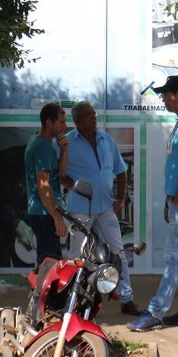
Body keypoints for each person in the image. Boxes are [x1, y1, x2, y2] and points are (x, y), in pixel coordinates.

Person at [128, 75, 178, 332]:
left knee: (174, 257)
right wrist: (170, 200)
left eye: (165, 94)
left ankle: (154, 312)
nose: (163, 99)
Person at [61, 101, 141, 316]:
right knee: (77, 256)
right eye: (88, 115)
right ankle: (73, 302)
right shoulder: (68, 143)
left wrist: (121, 197)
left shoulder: (107, 140)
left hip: (106, 206)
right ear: (77, 121)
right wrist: (72, 185)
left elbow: (121, 171)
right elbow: (59, 174)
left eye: (93, 114)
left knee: (118, 252)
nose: (93, 118)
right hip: (80, 207)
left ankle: (127, 299)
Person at [24, 102, 69, 262]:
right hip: (44, 214)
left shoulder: (43, 143)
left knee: (54, 263)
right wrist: (56, 217)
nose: (65, 126)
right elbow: (43, 186)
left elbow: (61, 174)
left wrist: (64, 151)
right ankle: (41, 288)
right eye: (61, 122)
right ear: (49, 122)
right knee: (48, 265)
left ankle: (44, 287)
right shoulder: (42, 147)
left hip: (44, 212)